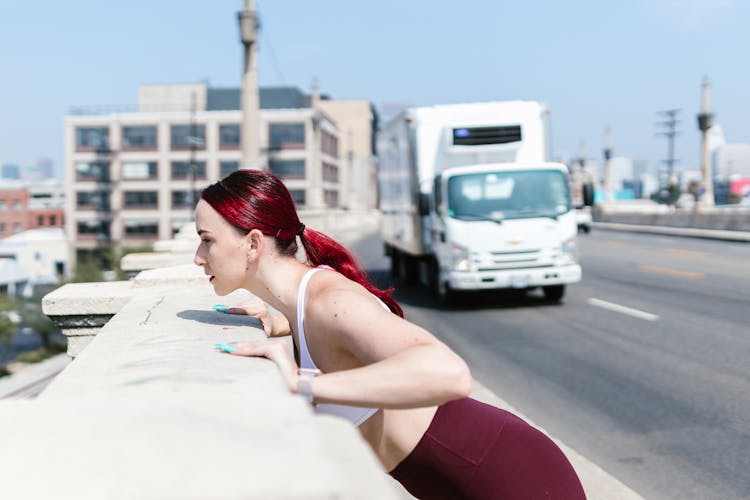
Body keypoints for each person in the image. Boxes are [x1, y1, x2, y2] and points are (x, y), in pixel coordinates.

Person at [194, 169, 586, 500]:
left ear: (253, 243)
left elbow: (448, 373)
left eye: (207, 239)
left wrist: (301, 383)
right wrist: (276, 321)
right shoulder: (302, 305)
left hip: (513, 479)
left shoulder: (329, 302)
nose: (198, 256)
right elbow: (329, 337)